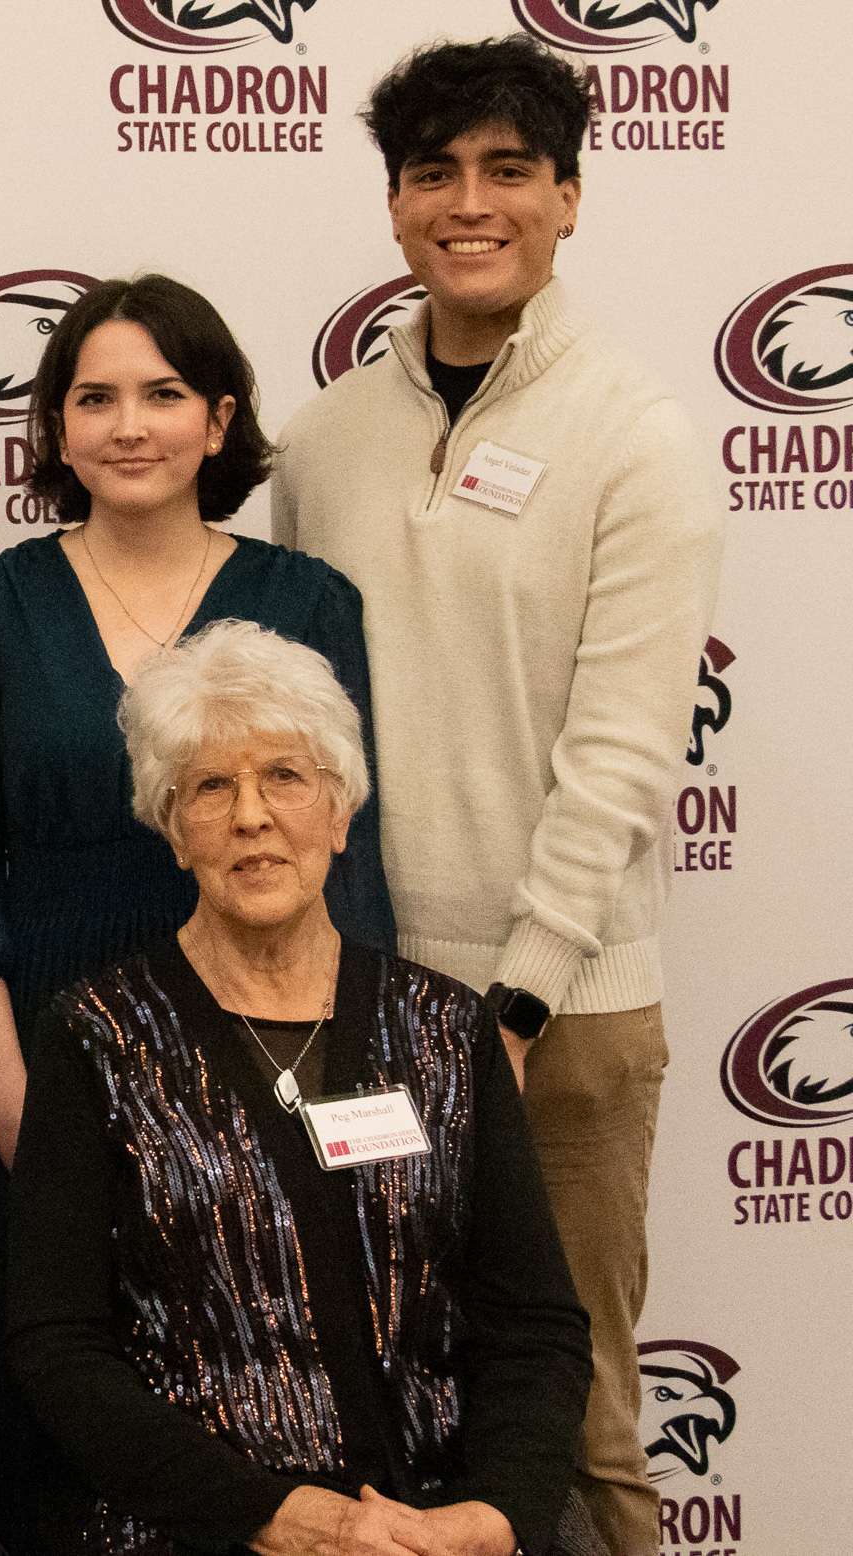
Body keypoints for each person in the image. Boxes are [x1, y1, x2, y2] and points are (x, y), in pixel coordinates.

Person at [271, 36, 723, 1555]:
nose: (471, 204)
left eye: (509, 171)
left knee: (579, 1407)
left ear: (570, 198)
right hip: (363, 993)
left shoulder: (635, 432)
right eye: (434, 174)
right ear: (395, 208)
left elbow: (621, 752)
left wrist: (516, 1003)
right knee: (378, 1391)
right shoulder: (326, 437)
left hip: (565, 1017)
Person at [0, 273, 393, 1552]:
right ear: (56, 430)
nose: (130, 424)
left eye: (163, 393)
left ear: (219, 418)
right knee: (54, 1411)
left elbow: (349, 870)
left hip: (261, 1058)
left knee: (257, 1388)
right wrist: (22, 1111)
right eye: (94, 396)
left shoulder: (309, 599)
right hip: (40, 1061)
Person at [7, 620, 595, 1556]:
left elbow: (536, 1326)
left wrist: (487, 1521)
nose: (251, 816)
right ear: (171, 830)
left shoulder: (448, 1031)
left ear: (340, 811)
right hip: (205, 1528)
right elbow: (58, 1347)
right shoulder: (98, 1038)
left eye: (285, 776)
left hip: (446, 1523)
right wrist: (273, 1517)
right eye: (210, 786)